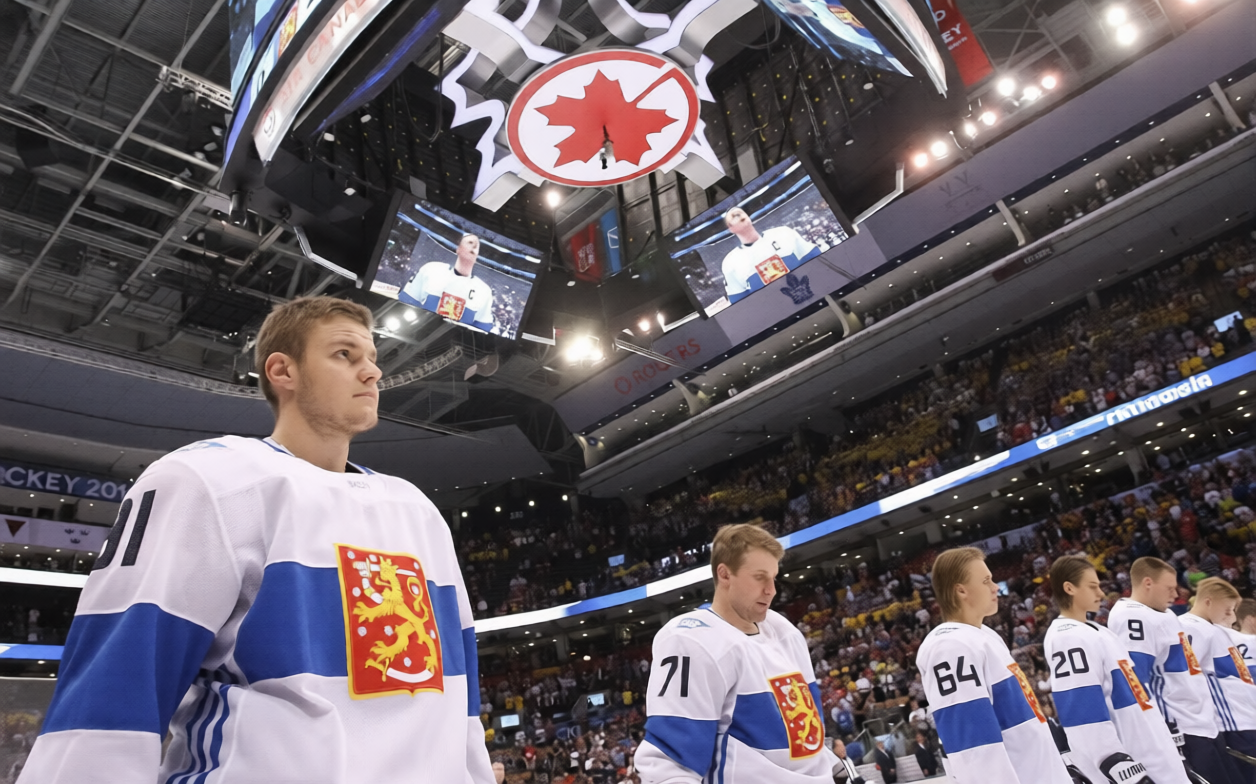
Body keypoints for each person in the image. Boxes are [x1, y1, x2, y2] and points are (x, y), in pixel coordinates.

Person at [17, 297, 493, 783]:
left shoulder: (417, 510)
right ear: (283, 370)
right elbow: (119, 682)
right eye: (344, 354)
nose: (372, 372)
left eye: (373, 358)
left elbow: (459, 702)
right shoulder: (210, 479)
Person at [635, 524, 838, 783]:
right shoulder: (690, 640)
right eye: (759, 577)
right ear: (725, 574)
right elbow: (670, 765)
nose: (772, 590)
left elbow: (805, 737)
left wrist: (836, 767)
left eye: (773, 577)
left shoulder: (784, 631)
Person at [916, 547, 1072, 784]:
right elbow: (974, 747)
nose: (996, 587)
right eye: (986, 580)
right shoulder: (949, 647)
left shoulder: (985, 635)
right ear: (961, 590)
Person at [1044, 555, 1186, 784]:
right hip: (1137, 761)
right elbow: (1083, 714)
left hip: (1154, 751)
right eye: (1092, 586)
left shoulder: (1098, 631)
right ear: (1069, 588)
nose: (1101, 593)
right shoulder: (1067, 637)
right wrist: (1115, 763)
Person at [1109, 557, 1241, 784]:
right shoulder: (1132, 616)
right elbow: (1136, 681)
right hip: (1182, 728)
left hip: (1203, 723)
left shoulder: (1165, 613)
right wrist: (1164, 732)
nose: (1176, 594)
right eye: (1169, 588)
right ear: (1148, 583)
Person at [1182, 578, 1256, 783]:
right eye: (1227, 610)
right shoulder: (1190, 627)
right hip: (1233, 722)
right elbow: (1185, 676)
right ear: (1209, 602)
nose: (1231, 616)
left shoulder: (1214, 629)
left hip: (1243, 718)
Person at [719, 207, 820, 303]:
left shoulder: (783, 233)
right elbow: (739, 301)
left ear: (748, 217)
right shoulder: (731, 262)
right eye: (734, 216)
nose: (738, 216)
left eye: (739, 213)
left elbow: (815, 256)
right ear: (730, 228)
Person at [400, 233, 495, 332]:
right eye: (470, 242)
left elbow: (482, 327)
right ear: (458, 249)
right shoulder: (432, 269)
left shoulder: (483, 290)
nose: (474, 246)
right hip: (422, 332)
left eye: (476, 246)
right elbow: (408, 300)